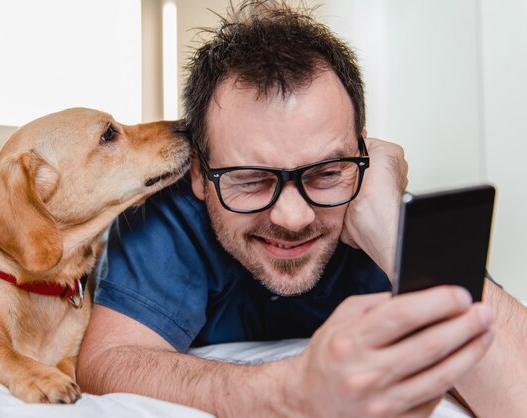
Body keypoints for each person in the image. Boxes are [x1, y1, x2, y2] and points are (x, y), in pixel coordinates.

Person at [78, 1, 527, 416]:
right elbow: (109, 362)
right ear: (199, 172)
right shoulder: (164, 214)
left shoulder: (373, 201)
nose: (294, 218)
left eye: (326, 171)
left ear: (362, 155)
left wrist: (393, 232)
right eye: (251, 179)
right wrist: (290, 389)